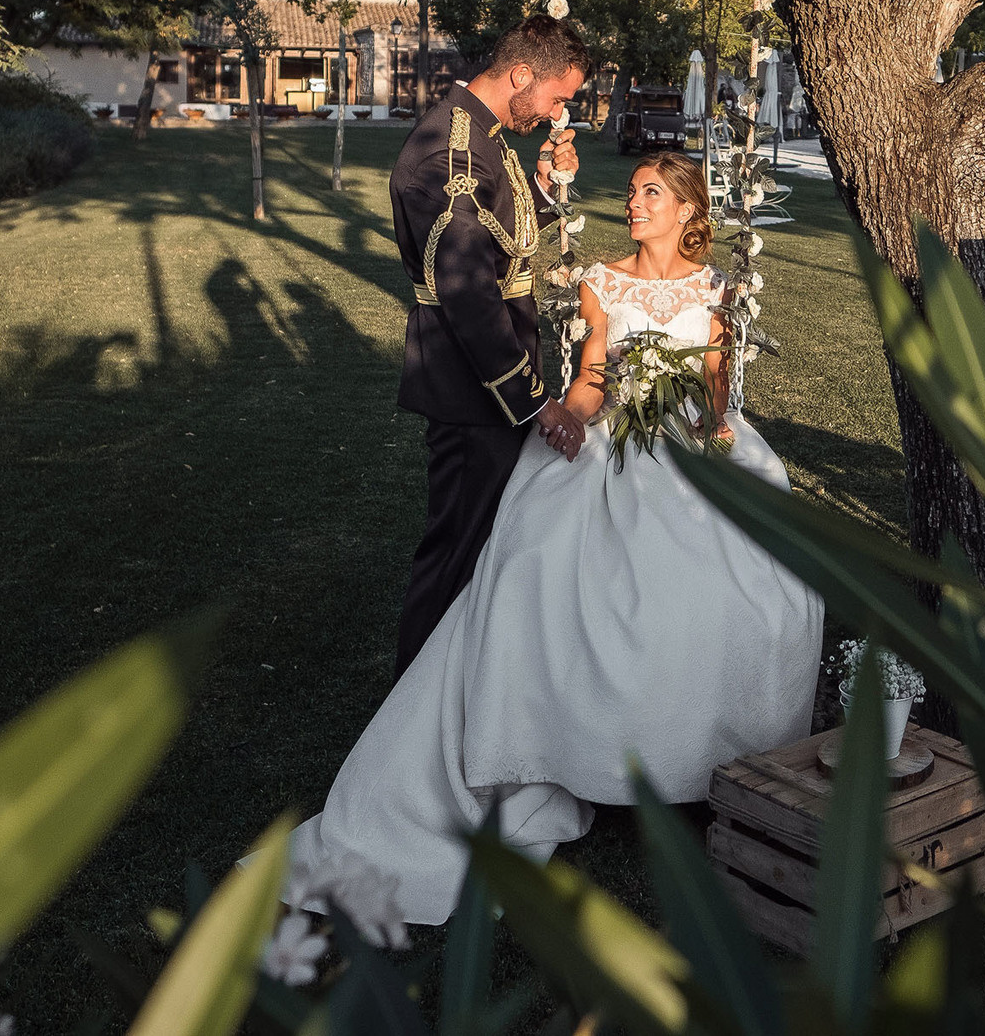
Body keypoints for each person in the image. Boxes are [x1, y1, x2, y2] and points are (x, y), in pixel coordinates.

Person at [287, 149, 822, 930]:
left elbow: (715, 379)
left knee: (758, 578)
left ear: (685, 209)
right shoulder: (603, 280)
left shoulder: (715, 287)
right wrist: (569, 416)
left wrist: (716, 428)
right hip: (620, 440)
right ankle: (571, 751)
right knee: (547, 570)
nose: (633, 203)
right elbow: (592, 377)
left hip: (689, 439)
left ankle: (721, 760)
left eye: (649, 193)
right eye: (631, 191)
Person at [386, 16, 590, 675]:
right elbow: (469, 289)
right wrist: (536, 402)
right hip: (471, 387)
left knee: (480, 551)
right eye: (557, 98)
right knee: (454, 556)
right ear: (522, 74)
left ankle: (460, 687)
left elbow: (497, 235)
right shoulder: (449, 148)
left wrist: (545, 187)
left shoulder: (482, 135)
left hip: (488, 388)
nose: (558, 113)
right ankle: (414, 708)